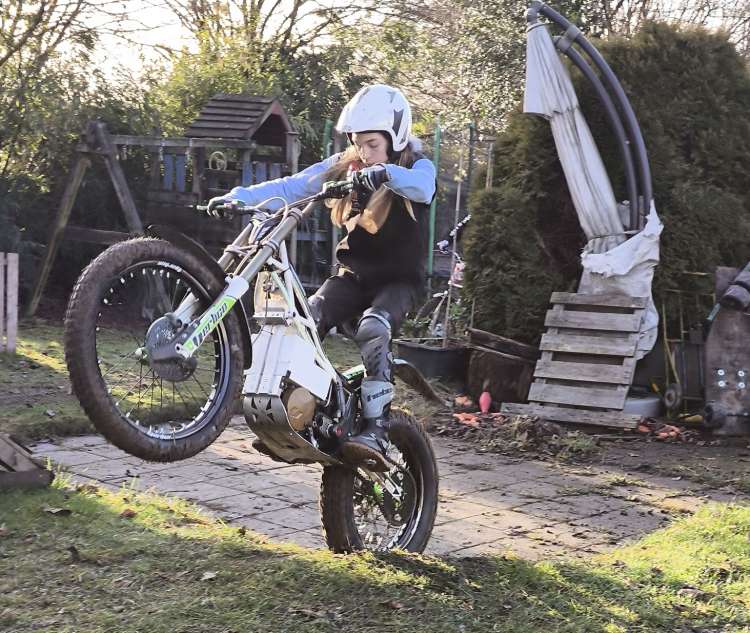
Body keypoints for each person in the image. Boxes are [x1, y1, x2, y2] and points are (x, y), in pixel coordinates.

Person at [208, 84, 436, 470]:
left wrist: (384, 173)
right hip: (352, 276)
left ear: (396, 138)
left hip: (398, 282)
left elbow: (424, 189)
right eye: (358, 144)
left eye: (373, 144)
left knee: (374, 329)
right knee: (301, 321)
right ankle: (299, 417)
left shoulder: (417, 166)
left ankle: (377, 430)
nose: (365, 153)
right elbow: (294, 185)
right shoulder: (347, 164)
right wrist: (240, 196)